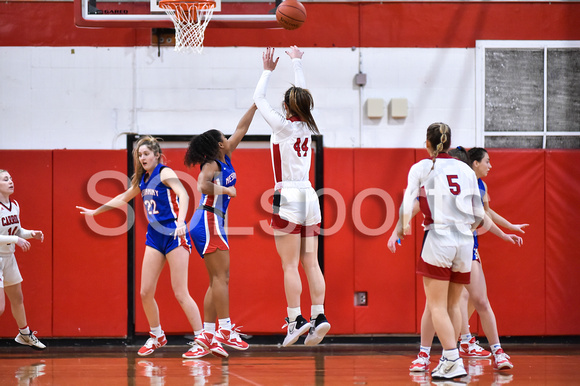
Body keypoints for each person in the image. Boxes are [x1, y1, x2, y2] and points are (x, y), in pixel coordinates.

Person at [389, 146, 524, 374]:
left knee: (477, 300)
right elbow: (415, 206)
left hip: (464, 247)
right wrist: (397, 230)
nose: (490, 165)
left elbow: (483, 216)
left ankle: (491, 351)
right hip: (443, 245)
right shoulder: (439, 180)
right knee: (436, 306)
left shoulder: (470, 182)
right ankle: (433, 353)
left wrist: (505, 233)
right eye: (487, 161)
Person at [77, 136, 208, 359]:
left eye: (146, 154)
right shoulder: (143, 179)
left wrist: (180, 222)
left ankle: (202, 339)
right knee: (145, 292)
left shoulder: (164, 172)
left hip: (174, 234)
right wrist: (95, 212)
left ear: (157, 155)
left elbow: (184, 194)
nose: (142, 157)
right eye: (139, 155)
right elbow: (123, 197)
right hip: (155, 237)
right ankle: (157, 335)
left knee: (180, 292)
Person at [393, 124, 484, 380]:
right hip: (465, 240)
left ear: (427, 144)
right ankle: (448, 358)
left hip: (439, 236)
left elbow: (408, 201)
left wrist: (402, 227)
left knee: (436, 306)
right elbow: (479, 215)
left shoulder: (422, 167)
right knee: (454, 304)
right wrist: (465, 230)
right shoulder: (466, 169)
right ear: (450, 143)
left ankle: (452, 359)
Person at [253, 46, 330, 347]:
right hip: (310, 195)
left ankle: (295, 319)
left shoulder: (282, 125)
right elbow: (304, 94)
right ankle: (320, 315)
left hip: (287, 195)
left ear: (286, 106)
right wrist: (297, 62)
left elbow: (258, 99)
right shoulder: (309, 125)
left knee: (289, 265)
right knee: (311, 261)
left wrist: (267, 70)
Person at [184, 104, 258, 357]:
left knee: (217, 280)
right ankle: (224, 329)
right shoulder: (212, 165)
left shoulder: (226, 156)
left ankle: (206, 334)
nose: (228, 139)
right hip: (207, 219)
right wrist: (226, 191)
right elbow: (201, 186)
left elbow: (242, 128)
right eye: (224, 138)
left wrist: (256, 104)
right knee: (221, 279)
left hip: (213, 221)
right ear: (218, 145)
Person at [0, 169, 46, 350]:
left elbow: (17, 230)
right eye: (5, 179)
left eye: (11, 178)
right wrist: (16, 240)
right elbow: (12, 237)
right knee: (0, 308)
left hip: (8, 257)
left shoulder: (15, 205)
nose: (10, 181)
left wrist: (31, 234)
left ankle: (25, 334)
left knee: (18, 299)